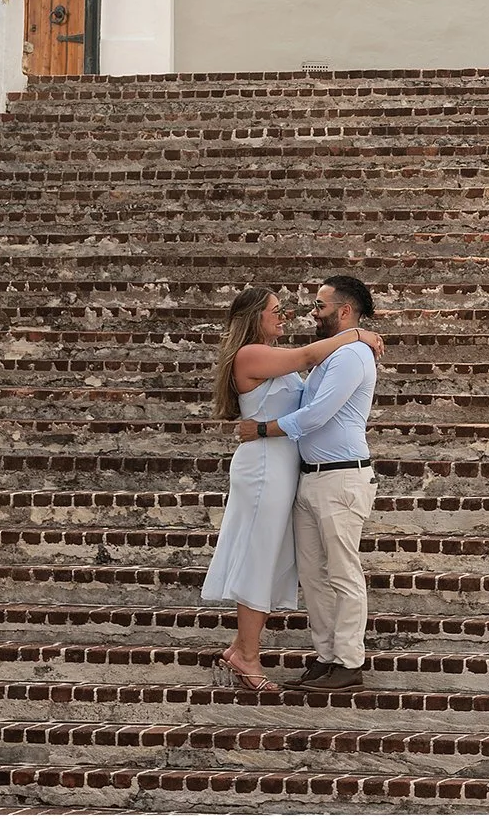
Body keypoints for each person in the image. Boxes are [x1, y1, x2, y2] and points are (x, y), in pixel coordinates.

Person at [204, 285, 382, 693]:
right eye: (275, 310)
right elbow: (306, 356)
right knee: (260, 557)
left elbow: (310, 391)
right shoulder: (252, 353)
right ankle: (248, 655)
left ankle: (243, 649)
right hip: (266, 466)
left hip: (290, 467)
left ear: (344, 310)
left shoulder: (283, 356)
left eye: (286, 309)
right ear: (254, 318)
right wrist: (359, 334)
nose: (286, 315)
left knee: (275, 558)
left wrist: (356, 337)